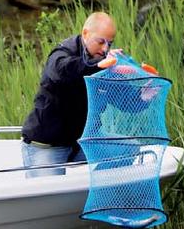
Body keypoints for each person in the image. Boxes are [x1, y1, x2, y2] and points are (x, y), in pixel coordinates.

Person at [20, 11, 121, 177]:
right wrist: (98, 65)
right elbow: (63, 71)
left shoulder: (106, 64)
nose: (105, 49)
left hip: (82, 144)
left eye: (109, 43)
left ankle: (98, 194)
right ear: (85, 34)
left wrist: (144, 96)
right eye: (100, 42)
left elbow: (122, 101)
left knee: (128, 150)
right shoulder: (62, 54)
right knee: (48, 198)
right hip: (46, 145)